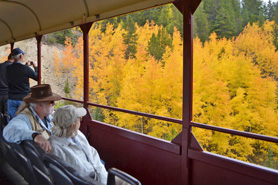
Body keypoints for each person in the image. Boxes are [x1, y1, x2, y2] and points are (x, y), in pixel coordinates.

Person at [49, 105, 108, 184]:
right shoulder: (55, 148)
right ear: (73, 125)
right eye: (79, 119)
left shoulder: (78, 134)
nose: (80, 120)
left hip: (99, 177)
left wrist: (103, 177)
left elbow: (92, 153)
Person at [3, 84, 61, 152]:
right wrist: (34, 135)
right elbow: (9, 131)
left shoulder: (47, 116)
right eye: (51, 101)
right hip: (46, 160)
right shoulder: (25, 118)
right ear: (40, 105)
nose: (54, 104)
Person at [6, 48, 38, 118]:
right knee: (23, 120)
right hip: (23, 99)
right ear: (20, 56)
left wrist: (26, 66)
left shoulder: (7, 68)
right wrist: (35, 66)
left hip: (10, 99)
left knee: (11, 121)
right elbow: (37, 77)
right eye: (23, 55)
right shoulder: (25, 69)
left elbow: (17, 73)